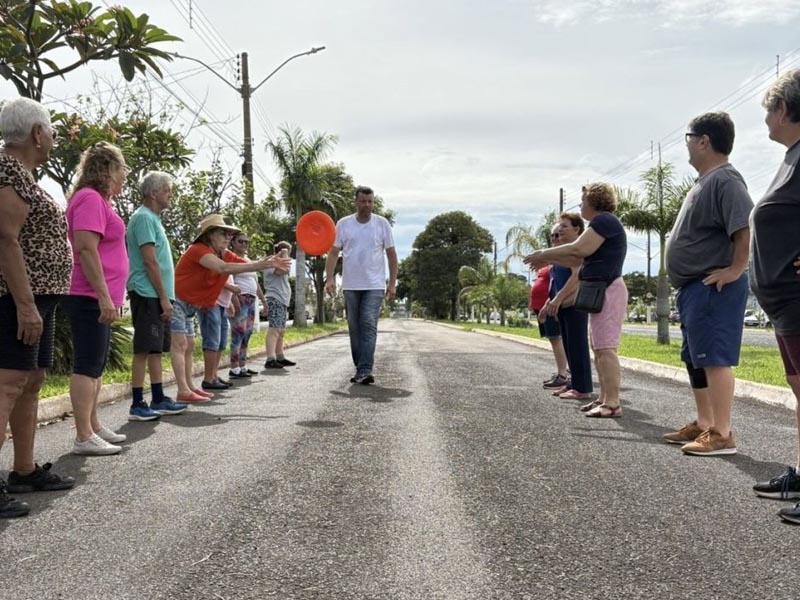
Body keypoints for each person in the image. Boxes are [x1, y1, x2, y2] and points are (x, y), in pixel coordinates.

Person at [0, 97, 75, 518]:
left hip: (39, 298)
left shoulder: (22, 173)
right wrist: (25, 306)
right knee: (8, 383)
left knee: (31, 380)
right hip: (15, 299)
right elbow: (5, 239)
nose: (52, 137)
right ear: (36, 133)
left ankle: (24, 470)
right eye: (49, 129)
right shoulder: (7, 169)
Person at [663, 112, 752, 456]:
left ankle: (722, 433)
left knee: (714, 359)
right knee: (696, 358)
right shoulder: (704, 182)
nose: (686, 143)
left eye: (689, 136)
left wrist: (735, 268)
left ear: (704, 140)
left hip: (713, 287)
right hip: (693, 288)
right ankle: (704, 422)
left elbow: (743, 227)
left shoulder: (726, 180)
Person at [525, 183, 627, 418]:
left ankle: (612, 403)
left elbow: (578, 249)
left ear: (594, 201)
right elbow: (576, 258)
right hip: (600, 289)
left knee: (605, 348)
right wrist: (548, 258)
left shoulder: (604, 222)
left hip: (608, 289)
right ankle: (603, 399)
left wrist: (543, 254)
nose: (580, 205)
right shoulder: (601, 224)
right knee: (599, 347)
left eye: (583, 201)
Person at [748, 69, 800, 524]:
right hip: (784, 305)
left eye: (769, 108)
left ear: (785, 108)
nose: (766, 117)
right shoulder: (792, 156)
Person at [170, 214, 290, 399]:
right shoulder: (198, 250)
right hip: (177, 300)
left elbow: (244, 263)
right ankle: (183, 391)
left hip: (191, 305)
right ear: (209, 235)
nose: (228, 237)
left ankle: (189, 388)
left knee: (189, 345)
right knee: (180, 344)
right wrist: (263, 264)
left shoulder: (222, 253)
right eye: (223, 233)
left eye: (229, 234)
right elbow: (224, 268)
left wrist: (269, 261)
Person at [62, 142, 131, 456]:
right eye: (121, 170)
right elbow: (86, 249)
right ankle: (82, 436)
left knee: (96, 365)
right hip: (88, 294)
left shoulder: (98, 200)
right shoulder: (89, 198)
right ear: (106, 169)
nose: (124, 178)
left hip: (98, 296)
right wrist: (103, 295)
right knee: (87, 365)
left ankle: (92, 425)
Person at [125, 171, 188, 421]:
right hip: (147, 293)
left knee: (155, 350)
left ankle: (158, 397)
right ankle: (137, 403)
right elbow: (149, 261)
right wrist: (163, 297)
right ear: (153, 192)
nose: (169, 195)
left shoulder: (153, 219)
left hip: (156, 294)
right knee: (143, 349)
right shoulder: (142, 218)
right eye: (166, 190)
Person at [325, 186, 398, 384]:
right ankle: (360, 368)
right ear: (355, 202)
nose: (367, 205)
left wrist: (391, 283)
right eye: (363, 201)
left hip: (374, 285)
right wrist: (329, 278)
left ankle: (365, 368)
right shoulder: (343, 224)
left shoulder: (381, 224)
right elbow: (333, 253)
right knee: (354, 328)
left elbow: (391, 255)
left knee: (367, 323)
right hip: (350, 285)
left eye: (370, 201)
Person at [540, 213, 593, 402]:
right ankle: (573, 383)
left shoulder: (575, 252)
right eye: (554, 233)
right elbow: (555, 282)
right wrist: (549, 302)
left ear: (577, 230)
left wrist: (558, 299)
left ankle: (582, 387)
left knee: (578, 346)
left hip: (574, 304)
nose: (558, 233)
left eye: (564, 227)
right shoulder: (560, 254)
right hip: (562, 306)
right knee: (570, 346)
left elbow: (576, 276)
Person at [529, 235, 569, 391]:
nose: (554, 238)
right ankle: (563, 372)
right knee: (554, 339)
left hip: (554, 306)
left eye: (558, 236)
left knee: (557, 338)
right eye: (552, 236)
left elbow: (558, 284)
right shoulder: (550, 264)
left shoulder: (561, 260)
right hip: (544, 306)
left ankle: (563, 375)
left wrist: (553, 302)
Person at [228, 232, 266, 378]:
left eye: (246, 242)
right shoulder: (231, 259)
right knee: (238, 333)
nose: (244, 244)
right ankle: (233, 367)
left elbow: (256, 283)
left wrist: (263, 301)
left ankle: (242, 365)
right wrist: (234, 299)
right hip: (240, 298)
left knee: (247, 333)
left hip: (251, 299)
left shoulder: (248, 260)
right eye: (240, 241)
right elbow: (229, 280)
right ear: (233, 243)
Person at [263, 241, 296, 370]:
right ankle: (270, 359)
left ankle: (279, 356)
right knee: (274, 330)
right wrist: (284, 252)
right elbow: (283, 270)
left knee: (281, 330)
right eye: (287, 252)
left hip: (281, 300)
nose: (289, 256)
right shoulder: (271, 262)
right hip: (274, 298)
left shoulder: (279, 262)